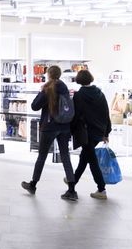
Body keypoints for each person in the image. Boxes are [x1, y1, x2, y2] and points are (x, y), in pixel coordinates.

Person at [21, 65, 78, 201]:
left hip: (49, 126)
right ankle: (72, 189)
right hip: (64, 126)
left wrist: (41, 92)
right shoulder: (64, 87)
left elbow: (34, 106)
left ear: (49, 75)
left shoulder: (48, 88)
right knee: (65, 156)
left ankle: (33, 184)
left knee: (42, 156)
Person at [70, 70, 113, 200]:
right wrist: (106, 132)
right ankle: (72, 180)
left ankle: (101, 188)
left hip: (86, 132)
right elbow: (106, 113)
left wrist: (70, 130)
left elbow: (76, 116)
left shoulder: (79, 96)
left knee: (92, 160)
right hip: (99, 131)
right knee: (85, 157)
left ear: (79, 80)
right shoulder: (100, 93)